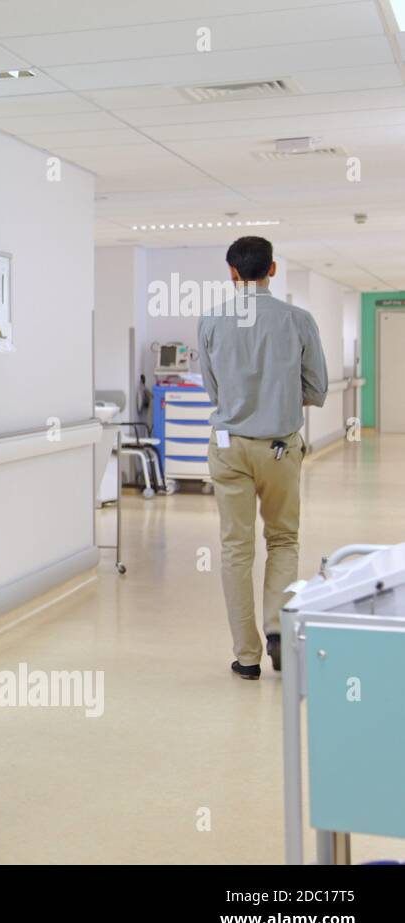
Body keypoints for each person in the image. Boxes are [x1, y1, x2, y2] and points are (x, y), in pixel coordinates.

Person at [198, 236, 327, 680]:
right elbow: (318, 390)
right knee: (283, 540)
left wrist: (241, 405)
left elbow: (212, 389)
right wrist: (280, 399)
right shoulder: (298, 320)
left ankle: (246, 656)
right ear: (272, 270)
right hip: (279, 446)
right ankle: (278, 631)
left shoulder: (212, 321)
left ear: (232, 273)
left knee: (236, 549)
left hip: (229, 446)